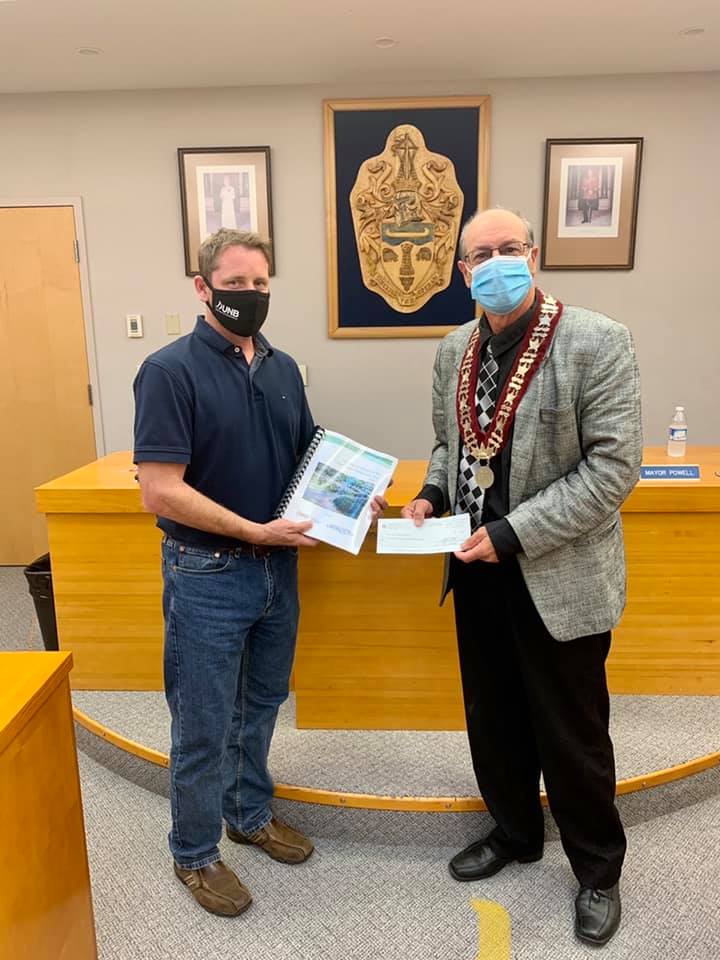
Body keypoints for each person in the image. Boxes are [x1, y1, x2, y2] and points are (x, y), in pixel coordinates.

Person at [402, 208, 642, 947]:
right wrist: (432, 493)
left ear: (533, 256)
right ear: (463, 271)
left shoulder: (597, 340)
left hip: (557, 572)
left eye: (510, 248)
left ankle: (597, 869)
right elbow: (449, 445)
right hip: (475, 570)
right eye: (482, 254)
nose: (496, 262)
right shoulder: (454, 348)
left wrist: (512, 534)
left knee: (571, 731)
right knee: (494, 718)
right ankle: (514, 831)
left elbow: (613, 470)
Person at [133, 228, 386, 917]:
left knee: (262, 703)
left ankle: (247, 814)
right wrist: (251, 531)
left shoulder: (282, 367)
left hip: (278, 570)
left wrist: (355, 495)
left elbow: (308, 458)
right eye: (235, 283)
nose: (249, 295)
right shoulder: (168, 371)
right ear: (202, 287)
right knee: (203, 720)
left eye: (259, 284)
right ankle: (194, 852)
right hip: (207, 572)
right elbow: (159, 489)